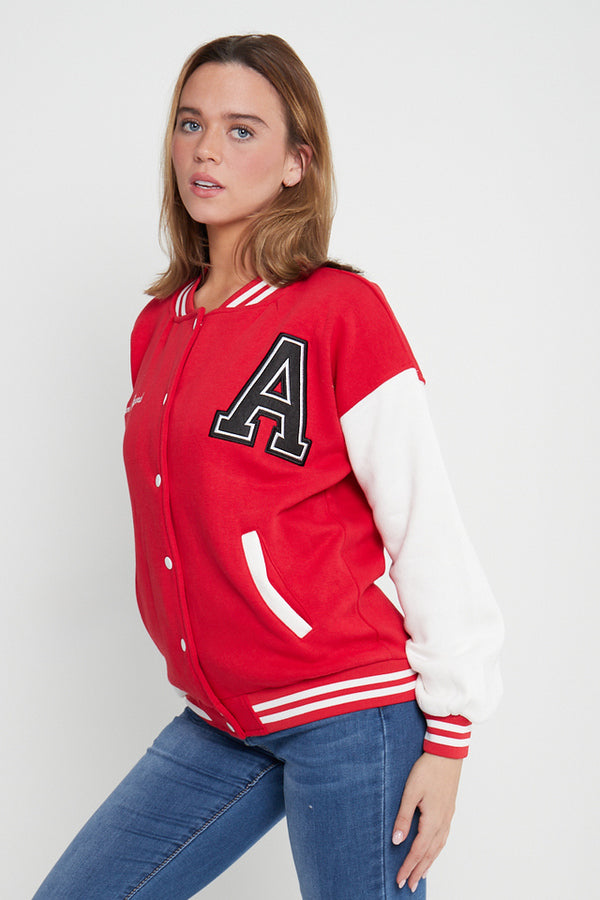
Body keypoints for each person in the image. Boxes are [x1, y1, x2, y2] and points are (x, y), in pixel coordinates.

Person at [34, 33, 503, 899]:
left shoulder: (341, 311)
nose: (206, 150)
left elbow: (424, 521)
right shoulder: (158, 328)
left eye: (241, 130)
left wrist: (449, 739)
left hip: (351, 712)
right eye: (190, 123)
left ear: (297, 163)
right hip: (221, 718)